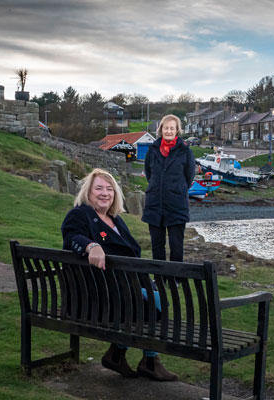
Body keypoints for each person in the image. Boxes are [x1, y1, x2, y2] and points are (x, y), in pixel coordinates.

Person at [61, 168, 177, 381]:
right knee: (155, 303)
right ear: (88, 192)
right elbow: (71, 237)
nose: (105, 193)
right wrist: (92, 245)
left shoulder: (115, 220)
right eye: (99, 188)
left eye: (109, 189)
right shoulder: (80, 214)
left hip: (118, 290)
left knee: (154, 296)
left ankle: (120, 354)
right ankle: (148, 361)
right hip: (97, 296)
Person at [142, 114, 196, 262]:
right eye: (166, 128)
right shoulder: (152, 151)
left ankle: (175, 279)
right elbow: (149, 173)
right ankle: (159, 279)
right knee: (157, 246)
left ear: (177, 130)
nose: (169, 131)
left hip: (176, 205)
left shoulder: (186, 152)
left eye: (172, 128)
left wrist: (174, 189)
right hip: (154, 204)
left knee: (176, 245)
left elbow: (189, 176)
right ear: (161, 130)